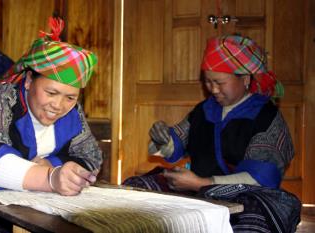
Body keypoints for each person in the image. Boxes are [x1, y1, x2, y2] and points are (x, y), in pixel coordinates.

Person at [123, 34, 301, 232]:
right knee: (136, 188)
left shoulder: (265, 116)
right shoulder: (205, 110)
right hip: (194, 188)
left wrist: (202, 183)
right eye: (208, 82)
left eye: (219, 82)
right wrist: (161, 139)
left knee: (253, 219)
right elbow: (172, 151)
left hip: (245, 195)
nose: (213, 89)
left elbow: (262, 178)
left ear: (245, 79)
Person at [0, 17, 102, 232]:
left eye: (70, 98)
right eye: (51, 92)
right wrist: (50, 178)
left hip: (35, 202)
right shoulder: (1, 100)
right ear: (27, 81)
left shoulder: (74, 114)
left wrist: (51, 164)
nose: (59, 105)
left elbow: (91, 157)